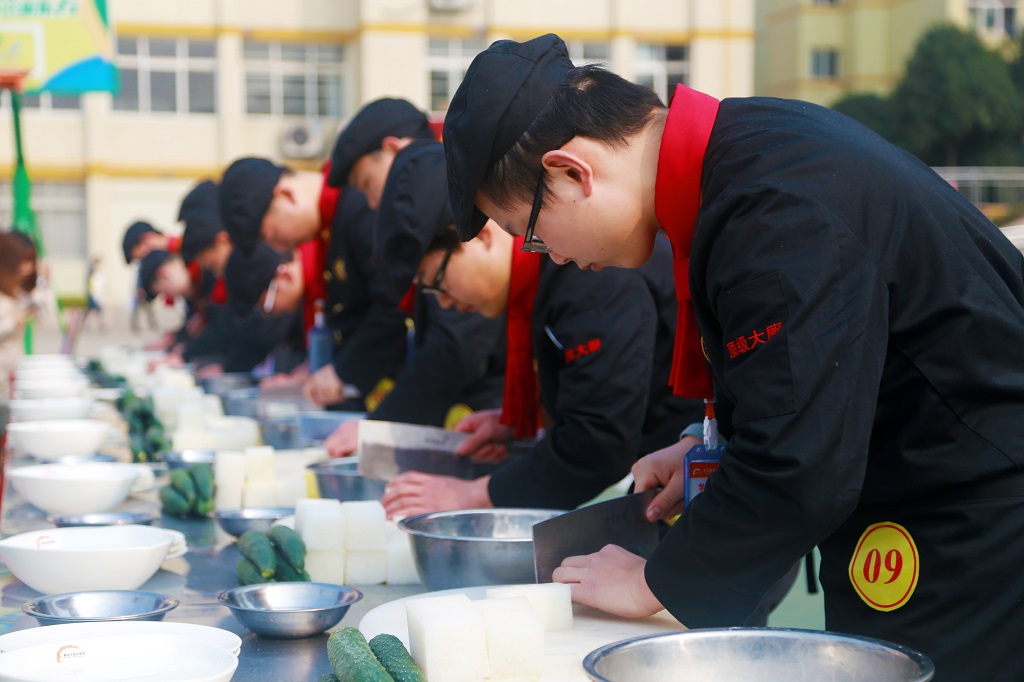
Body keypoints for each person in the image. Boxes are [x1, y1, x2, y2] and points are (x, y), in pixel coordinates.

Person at [441, 34, 1024, 679]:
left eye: (531, 235)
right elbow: (811, 377)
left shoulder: (771, 210)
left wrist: (654, 581)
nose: (554, 257)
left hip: (974, 520)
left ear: (573, 172)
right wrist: (712, 445)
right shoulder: (743, 150)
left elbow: (803, 463)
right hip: (927, 491)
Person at [380, 220, 704, 517]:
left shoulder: (590, 273)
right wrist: (525, 418)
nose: (444, 302)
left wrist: (474, 494)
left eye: (437, 281)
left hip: (690, 463)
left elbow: (597, 443)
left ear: (481, 234)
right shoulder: (547, 280)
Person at [318, 97, 507, 455]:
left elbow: (456, 344)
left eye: (366, 183)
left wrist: (382, 428)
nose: (372, 204)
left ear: (394, 149)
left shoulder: (452, 204)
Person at [218, 156, 408, 411]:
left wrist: (343, 371)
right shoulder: (330, 227)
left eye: (274, 236)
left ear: (285, 195)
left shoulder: (357, 207)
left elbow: (393, 303)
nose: (280, 248)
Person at [0, 231, 39, 436]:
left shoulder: (18, 292)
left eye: (31, 261)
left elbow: (48, 318)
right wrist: (11, 322)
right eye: (22, 261)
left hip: (11, 377)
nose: (27, 268)